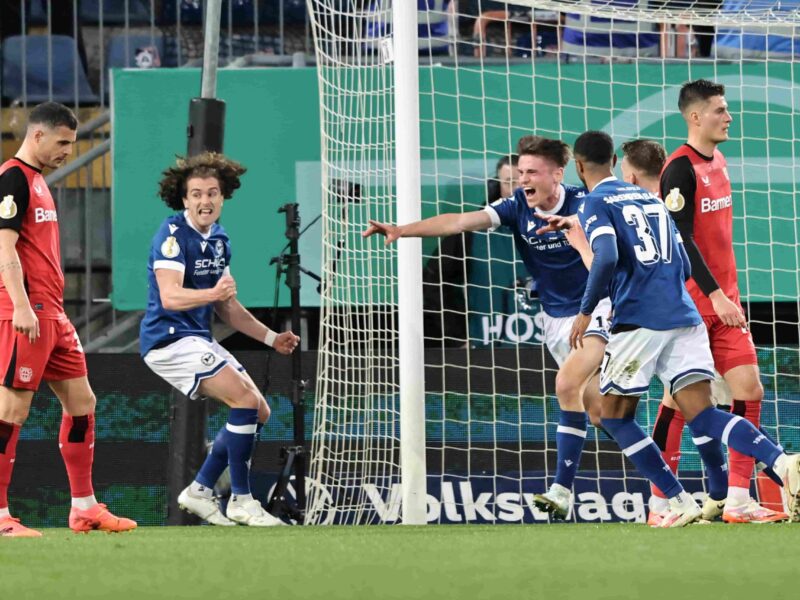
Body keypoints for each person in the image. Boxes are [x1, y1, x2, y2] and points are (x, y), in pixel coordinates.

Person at [364, 135, 612, 519]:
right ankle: (666, 472)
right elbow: (459, 221)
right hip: (554, 318)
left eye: (531, 172)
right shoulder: (516, 207)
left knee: (565, 386)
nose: (522, 180)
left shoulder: (586, 204)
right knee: (602, 414)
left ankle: (561, 491)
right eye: (519, 173)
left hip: (596, 310)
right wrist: (403, 230)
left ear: (557, 174)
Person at [567, 129, 800, 527]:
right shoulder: (650, 199)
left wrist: (586, 310)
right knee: (703, 414)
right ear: (612, 161)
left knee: (613, 416)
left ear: (578, 165)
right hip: (684, 315)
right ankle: (782, 461)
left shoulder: (596, 201)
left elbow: (605, 256)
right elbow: (685, 259)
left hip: (639, 320)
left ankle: (673, 500)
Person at [140, 152, 300, 527]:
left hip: (196, 337)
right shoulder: (172, 236)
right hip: (168, 340)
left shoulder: (220, 239)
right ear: (184, 200)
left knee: (258, 410)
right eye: (196, 194)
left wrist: (271, 337)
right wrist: (213, 295)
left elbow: (227, 307)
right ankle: (242, 501)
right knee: (243, 399)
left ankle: (199, 489)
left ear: (223, 197)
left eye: (212, 193)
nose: (204, 201)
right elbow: (170, 296)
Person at [0, 102, 136, 537]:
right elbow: (4, 249)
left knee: (82, 404)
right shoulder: (13, 179)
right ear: (37, 135)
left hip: (53, 313)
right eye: (62, 143)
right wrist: (21, 305)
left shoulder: (38, 181)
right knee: (11, 409)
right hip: (26, 310)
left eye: (72, 145)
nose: (68, 152)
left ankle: (84, 508)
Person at [658, 79, 787, 523]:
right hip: (693, 309)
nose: (729, 116)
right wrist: (714, 294)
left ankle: (737, 499)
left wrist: (727, 295)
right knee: (679, 403)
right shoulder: (678, 170)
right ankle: (662, 501)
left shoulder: (721, 160)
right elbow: (680, 240)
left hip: (726, 304)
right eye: (720, 110)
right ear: (695, 117)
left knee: (749, 390)